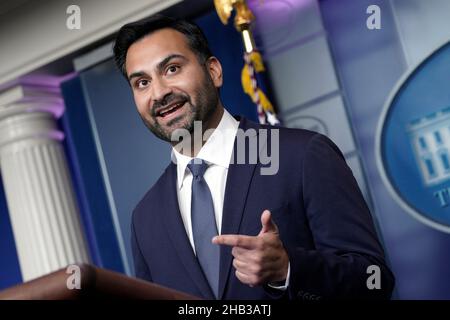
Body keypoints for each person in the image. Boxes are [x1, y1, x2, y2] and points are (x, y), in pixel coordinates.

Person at [113, 14, 395, 300]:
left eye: (172, 69)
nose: (159, 92)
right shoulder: (145, 218)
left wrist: (288, 268)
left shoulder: (301, 156)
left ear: (214, 71)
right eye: (142, 83)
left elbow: (375, 280)